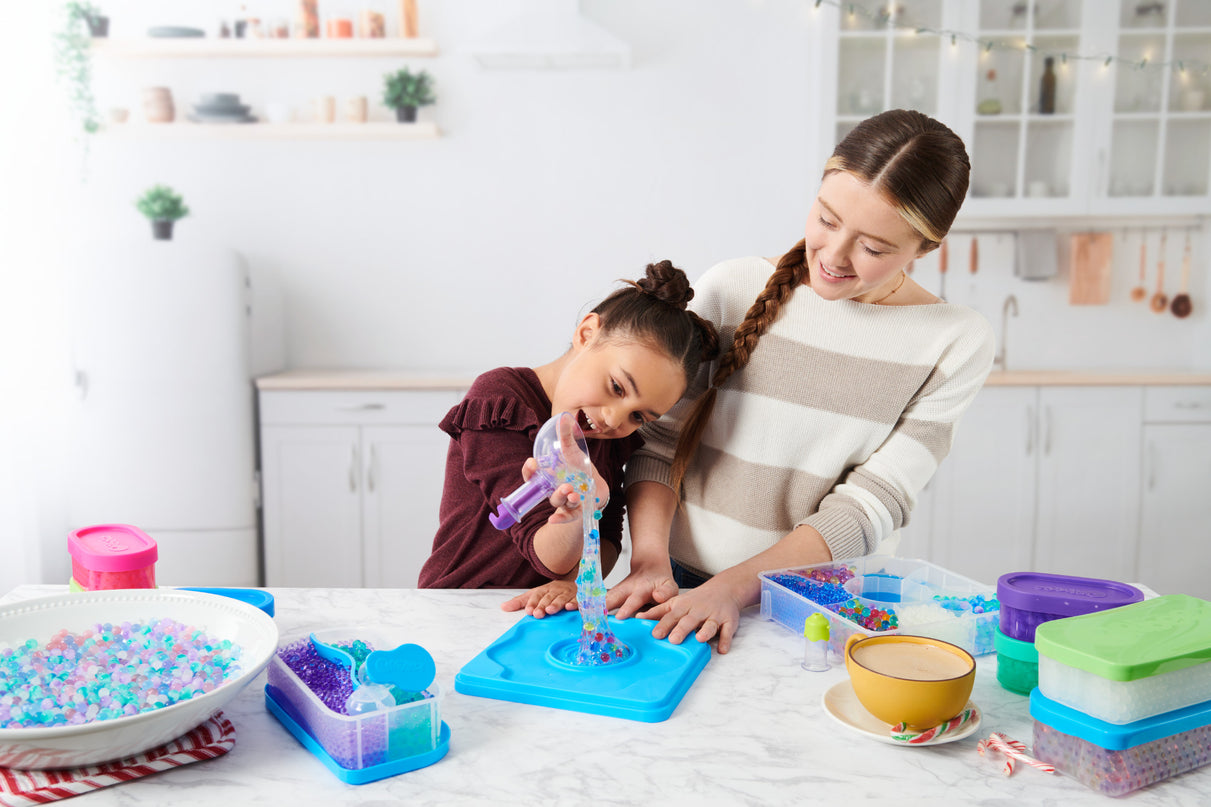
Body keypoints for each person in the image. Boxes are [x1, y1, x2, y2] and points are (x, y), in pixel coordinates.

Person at [606, 109, 995, 653]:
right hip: (680, 587)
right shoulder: (732, 289)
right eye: (827, 219)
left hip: (831, 607)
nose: (833, 257)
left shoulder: (955, 340)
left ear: (925, 249)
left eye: (874, 247)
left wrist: (733, 588)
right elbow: (660, 443)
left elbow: (870, 505)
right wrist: (647, 561)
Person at [419, 261, 719, 603]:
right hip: (461, 605)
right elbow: (547, 555)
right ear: (586, 334)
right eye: (617, 387)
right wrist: (584, 507)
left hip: (541, 613)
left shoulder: (602, 437)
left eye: (638, 415)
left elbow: (607, 541)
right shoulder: (498, 400)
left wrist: (575, 580)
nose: (612, 419)